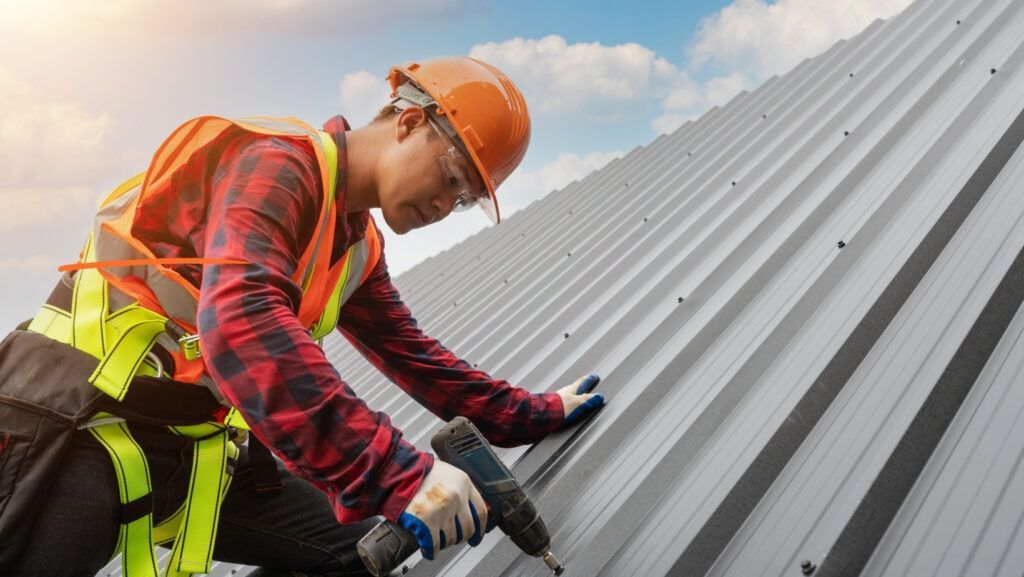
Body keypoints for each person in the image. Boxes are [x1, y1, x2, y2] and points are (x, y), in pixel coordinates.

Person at [0, 56, 605, 577]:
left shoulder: (356, 246)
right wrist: (397, 473)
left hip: (186, 440)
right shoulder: (278, 164)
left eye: (466, 199)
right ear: (411, 121)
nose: (446, 205)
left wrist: (536, 411)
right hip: (71, 416)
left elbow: (417, 357)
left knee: (355, 551)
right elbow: (241, 318)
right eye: (451, 177)